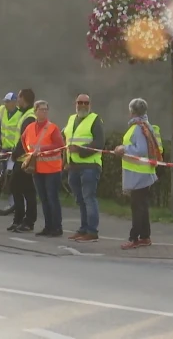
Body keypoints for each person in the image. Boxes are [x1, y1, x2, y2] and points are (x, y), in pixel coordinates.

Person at [114, 98, 161, 249]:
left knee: (137, 208)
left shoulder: (138, 128)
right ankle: (145, 237)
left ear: (132, 112)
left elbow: (141, 150)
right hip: (143, 172)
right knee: (142, 207)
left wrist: (124, 149)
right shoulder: (145, 125)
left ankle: (133, 238)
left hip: (138, 173)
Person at [62, 94, 105, 243]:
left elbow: (99, 143)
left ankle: (92, 232)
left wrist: (80, 150)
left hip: (90, 166)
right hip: (73, 166)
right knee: (80, 200)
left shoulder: (95, 119)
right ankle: (83, 228)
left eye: (86, 103)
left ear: (90, 104)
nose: (83, 105)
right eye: (80, 102)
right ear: (75, 104)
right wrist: (65, 161)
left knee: (89, 198)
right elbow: (67, 142)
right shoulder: (71, 119)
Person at [21, 100, 64, 237]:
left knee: (52, 199)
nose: (44, 112)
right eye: (41, 109)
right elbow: (23, 141)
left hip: (52, 169)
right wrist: (30, 155)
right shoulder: (29, 128)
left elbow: (59, 145)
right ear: (35, 111)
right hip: (37, 169)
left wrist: (42, 149)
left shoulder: (53, 128)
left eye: (46, 110)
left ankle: (57, 227)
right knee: (44, 200)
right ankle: (48, 226)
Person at [8, 88, 38, 232]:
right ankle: (19, 219)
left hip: (25, 159)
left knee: (26, 190)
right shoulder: (26, 114)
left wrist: (15, 154)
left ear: (23, 98)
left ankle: (28, 221)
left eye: (18, 98)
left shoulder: (29, 116)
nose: (17, 101)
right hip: (22, 158)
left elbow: (24, 139)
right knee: (18, 188)